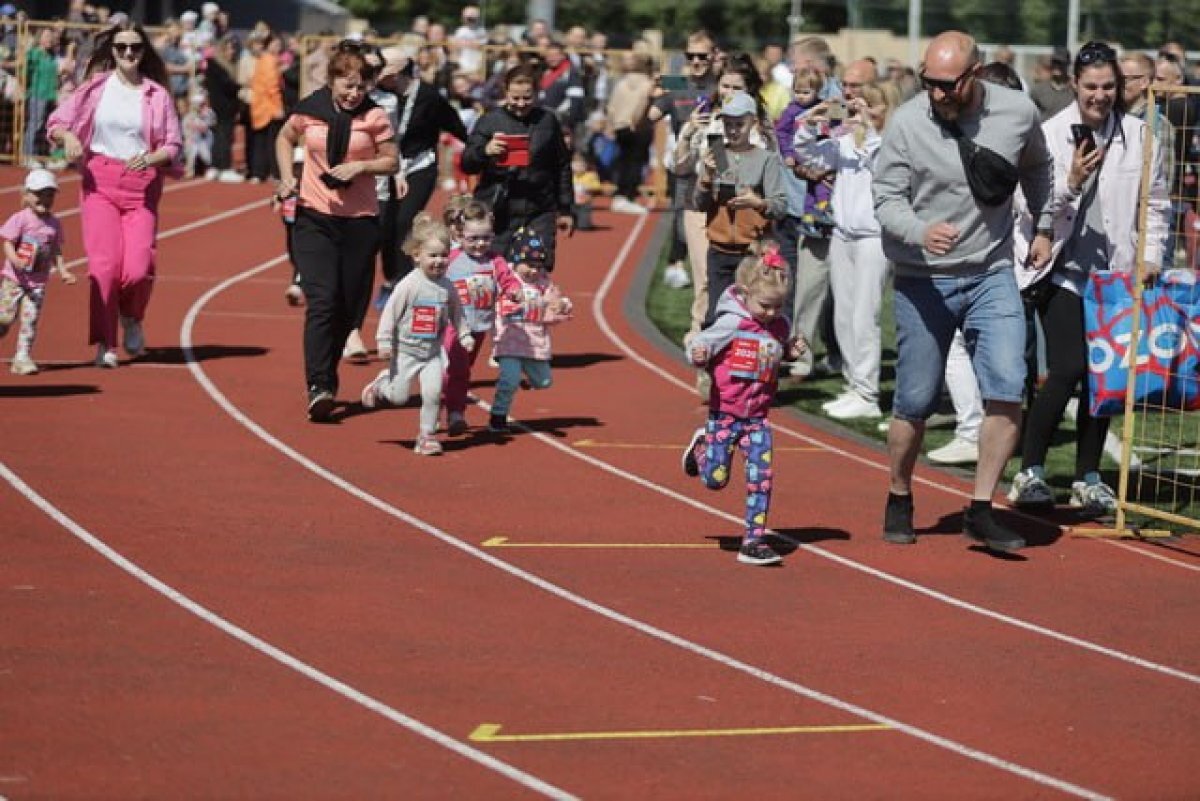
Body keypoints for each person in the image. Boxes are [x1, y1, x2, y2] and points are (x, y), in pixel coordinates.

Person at [872, 31, 1054, 552]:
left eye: (947, 85)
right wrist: (918, 229)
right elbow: (884, 199)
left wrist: (1042, 227)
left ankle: (981, 508)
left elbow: (1038, 166)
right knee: (914, 400)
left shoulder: (1017, 111)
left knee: (1007, 382)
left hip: (991, 270)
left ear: (975, 74)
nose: (937, 94)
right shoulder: (907, 123)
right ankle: (899, 493)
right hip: (922, 276)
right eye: (928, 83)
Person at [1009, 42, 1169, 517]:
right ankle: (1030, 470)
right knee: (1068, 368)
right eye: (1090, 87)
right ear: (1074, 86)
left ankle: (1088, 476)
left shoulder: (1141, 136)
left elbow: (1155, 203)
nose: (1099, 95)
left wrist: (1152, 255)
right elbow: (1030, 206)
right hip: (1061, 269)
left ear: (1118, 87)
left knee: (1105, 377)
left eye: (1107, 86)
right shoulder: (1050, 134)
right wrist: (1073, 182)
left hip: (1114, 275)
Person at [46, 18, 183, 369]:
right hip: (100, 180)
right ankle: (105, 341)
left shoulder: (157, 94)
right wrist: (71, 138)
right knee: (103, 268)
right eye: (121, 47)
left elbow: (173, 143)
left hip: (142, 184)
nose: (128, 53)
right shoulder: (94, 88)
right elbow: (57, 123)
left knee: (138, 268)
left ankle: (132, 316)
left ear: (143, 51)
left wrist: (152, 157)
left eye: (135, 47)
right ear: (112, 50)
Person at [273, 40, 399, 421]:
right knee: (322, 301)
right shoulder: (309, 110)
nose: (354, 93)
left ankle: (330, 367)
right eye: (348, 85)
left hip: (360, 220)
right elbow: (284, 137)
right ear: (332, 81)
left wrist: (360, 168)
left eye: (361, 86)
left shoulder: (375, 116)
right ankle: (320, 384)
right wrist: (285, 178)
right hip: (315, 216)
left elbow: (392, 162)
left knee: (349, 307)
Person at [681, 248, 807, 566]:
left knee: (761, 477)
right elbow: (701, 342)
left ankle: (753, 541)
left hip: (758, 419)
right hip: (725, 413)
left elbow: (778, 352)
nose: (771, 313)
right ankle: (702, 447)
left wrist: (791, 352)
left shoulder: (779, 324)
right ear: (745, 293)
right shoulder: (731, 322)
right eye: (765, 306)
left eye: (778, 306)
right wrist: (698, 353)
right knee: (715, 480)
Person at [795, 84, 894, 421]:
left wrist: (867, 131)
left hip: (873, 237)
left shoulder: (889, 144)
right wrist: (812, 121)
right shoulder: (845, 142)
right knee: (844, 315)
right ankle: (854, 385)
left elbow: (884, 172)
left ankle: (868, 392)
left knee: (865, 316)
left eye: (866, 106)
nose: (856, 114)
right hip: (843, 234)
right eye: (854, 108)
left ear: (883, 110)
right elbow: (809, 156)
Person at [361, 217, 474, 456]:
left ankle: (426, 436)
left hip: (432, 353)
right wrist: (382, 342)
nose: (439, 261)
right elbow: (390, 314)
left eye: (444, 255)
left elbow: (457, 314)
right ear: (417, 255)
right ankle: (381, 386)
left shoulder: (448, 287)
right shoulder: (409, 285)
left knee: (433, 394)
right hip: (404, 352)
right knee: (399, 397)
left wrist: (464, 335)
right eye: (432, 256)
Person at [462, 64, 574, 270]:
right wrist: (485, 151)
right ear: (506, 92)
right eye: (515, 98)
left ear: (537, 94)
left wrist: (566, 209)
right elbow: (467, 164)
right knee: (494, 270)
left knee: (535, 269)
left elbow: (562, 166)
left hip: (538, 208)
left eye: (527, 98)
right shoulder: (489, 121)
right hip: (498, 209)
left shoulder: (548, 121)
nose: (521, 104)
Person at [694, 90, 787, 326]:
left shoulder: (765, 159)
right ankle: (716, 359)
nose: (733, 130)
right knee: (716, 314)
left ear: (753, 123)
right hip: (720, 250)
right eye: (728, 124)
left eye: (739, 124)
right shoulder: (716, 153)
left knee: (751, 314)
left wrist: (758, 203)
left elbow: (780, 206)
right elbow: (699, 203)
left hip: (752, 252)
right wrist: (706, 178)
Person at [488, 226, 573, 433]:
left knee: (544, 382)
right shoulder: (506, 281)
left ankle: (524, 376)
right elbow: (489, 299)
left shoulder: (544, 284)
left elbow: (553, 308)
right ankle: (498, 417)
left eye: (538, 265)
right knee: (509, 379)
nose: (534, 270)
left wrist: (561, 306)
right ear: (516, 260)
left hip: (535, 344)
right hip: (508, 342)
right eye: (528, 264)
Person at [0, 169, 74, 375]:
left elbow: (56, 250)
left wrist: (64, 270)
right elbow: (7, 242)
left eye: (50, 194)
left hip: (37, 283)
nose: (45, 199)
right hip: (14, 280)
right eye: (39, 193)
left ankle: (22, 358)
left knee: (29, 320)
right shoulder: (20, 218)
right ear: (27, 194)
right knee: (5, 318)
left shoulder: (54, 224)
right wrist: (15, 260)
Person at [441, 201, 503, 434]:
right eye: (473, 239)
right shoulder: (451, 258)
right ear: (460, 235)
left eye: (485, 238)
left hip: (479, 326)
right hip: (452, 324)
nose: (480, 244)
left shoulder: (495, 260)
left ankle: (445, 405)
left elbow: (507, 279)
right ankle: (455, 412)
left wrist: (515, 291)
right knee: (456, 366)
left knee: (463, 369)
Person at [605, 51, 655, 215]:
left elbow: (611, 107)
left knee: (623, 161)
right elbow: (644, 103)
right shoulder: (649, 83)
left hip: (621, 126)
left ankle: (621, 194)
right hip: (639, 126)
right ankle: (627, 195)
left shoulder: (621, 82)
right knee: (636, 162)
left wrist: (612, 124)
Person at [203, 34, 243, 182]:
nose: (231, 52)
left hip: (224, 106)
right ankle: (223, 168)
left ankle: (216, 167)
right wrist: (242, 86)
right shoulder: (216, 65)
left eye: (233, 49)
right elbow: (228, 85)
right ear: (221, 49)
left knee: (220, 137)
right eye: (228, 48)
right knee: (224, 137)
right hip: (222, 106)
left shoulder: (228, 65)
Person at [248, 32, 284, 183]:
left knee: (260, 141)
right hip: (268, 107)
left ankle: (258, 172)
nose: (278, 48)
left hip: (259, 105)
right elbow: (272, 87)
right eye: (275, 45)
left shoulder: (262, 59)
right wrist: (278, 107)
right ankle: (271, 172)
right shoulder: (270, 60)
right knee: (272, 142)